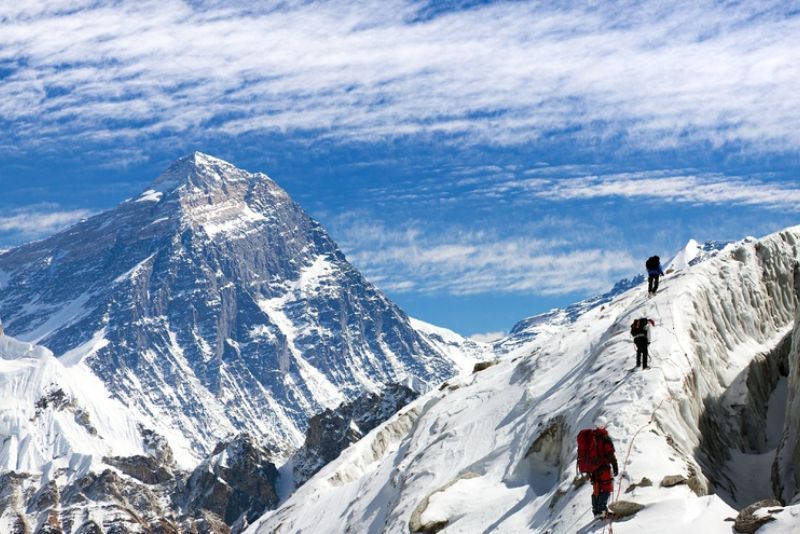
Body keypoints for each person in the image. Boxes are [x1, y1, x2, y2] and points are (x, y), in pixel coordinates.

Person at [589, 416, 618, 519]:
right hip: (604, 468)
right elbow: (610, 453)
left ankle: (596, 511)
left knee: (597, 488)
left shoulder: (591, 437)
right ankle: (602, 511)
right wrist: (615, 465)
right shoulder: (605, 438)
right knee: (606, 488)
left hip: (593, 469)